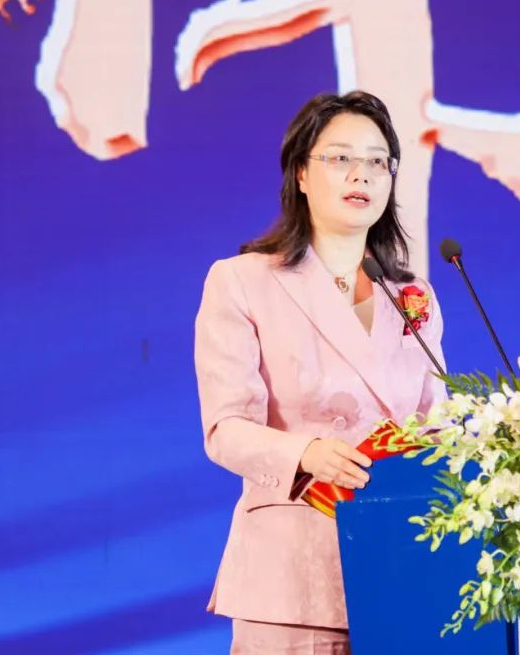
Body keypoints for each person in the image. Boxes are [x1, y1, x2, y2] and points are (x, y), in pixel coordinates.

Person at [193, 91, 447, 654]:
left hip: (402, 564)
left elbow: (438, 422)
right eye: (340, 158)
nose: (362, 174)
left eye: (378, 161)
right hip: (293, 571)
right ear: (302, 174)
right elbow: (225, 429)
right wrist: (306, 452)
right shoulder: (242, 281)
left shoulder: (413, 296)